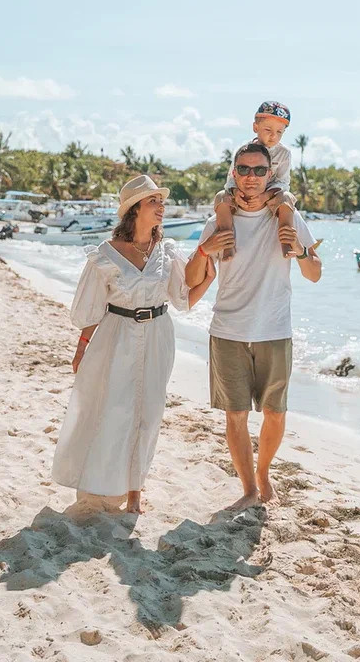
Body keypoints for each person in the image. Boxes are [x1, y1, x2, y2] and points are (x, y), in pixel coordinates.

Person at [51, 175, 215, 514]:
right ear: (134, 210)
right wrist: (82, 347)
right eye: (153, 201)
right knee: (113, 409)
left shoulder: (167, 251)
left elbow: (182, 300)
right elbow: (92, 308)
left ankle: (135, 490)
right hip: (116, 334)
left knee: (149, 413)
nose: (161, 207)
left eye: (160, 201)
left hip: (158, 335)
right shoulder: (106, 255)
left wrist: (208, 281)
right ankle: (101, 480)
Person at [185, 142, 323, 510]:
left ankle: (264, 473)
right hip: (228, 330)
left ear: (270, 175)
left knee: (276, 413)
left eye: (259, 171)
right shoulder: (218, 220)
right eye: (243, 170)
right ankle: (248, 488)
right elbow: (192, 279)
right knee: (236, 415)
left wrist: (301, 250)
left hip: (275, 329)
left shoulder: (288, 218)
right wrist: (204, 248)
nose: (250, 177)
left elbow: (314, 274)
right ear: (234, 174)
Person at [212, 101, 298, 261]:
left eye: (280, 132)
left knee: (287, 198)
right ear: (255, 127)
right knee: (221, 197)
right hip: (244, 196)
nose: (274, 136)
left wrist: (266, 196)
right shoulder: (244, 151)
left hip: (271, 198)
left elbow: (283, 183)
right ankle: (227, 245)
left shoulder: (284, 154)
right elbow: (231, 180)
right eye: (268, 130)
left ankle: (286, 243)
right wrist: (236, 194)